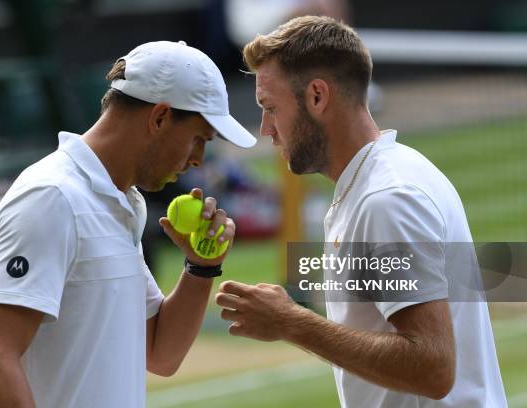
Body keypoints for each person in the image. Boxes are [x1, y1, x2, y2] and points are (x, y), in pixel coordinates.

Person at [215, 16, 507, 407]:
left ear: (317, 97)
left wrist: (292, 323)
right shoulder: (378, 182)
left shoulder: (387, 199)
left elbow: (432, 367)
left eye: (270, 108)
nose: (266, 129)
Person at [0, 40, 256, 408]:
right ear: (160, 117)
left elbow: (160, 354)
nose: (198, 159)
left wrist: (202, 267)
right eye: (199, 139)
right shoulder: (52, 197)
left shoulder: (120, 202)